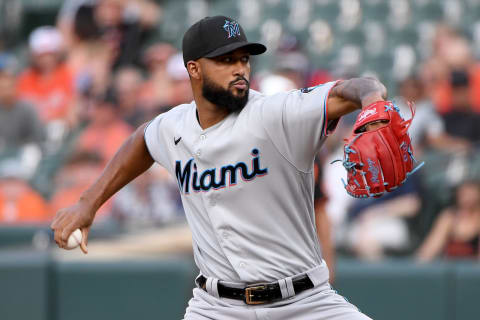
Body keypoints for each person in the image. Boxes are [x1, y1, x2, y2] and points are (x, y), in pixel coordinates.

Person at [51, 16, 388, 319]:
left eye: (243, 59)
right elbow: (143, 140)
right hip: (216, 308)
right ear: (194, 69)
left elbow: (355, 88)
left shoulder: (276, 114)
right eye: (226, 60)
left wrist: (372, 102)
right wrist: (88, 203)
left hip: (303, 303)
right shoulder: (174, 127)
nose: (239, 68)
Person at [416, 180, 480, 262]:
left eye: (470, 191)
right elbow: (429, 250)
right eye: (462, 191)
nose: (465, 196)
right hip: (450, 269)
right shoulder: (449, 217)